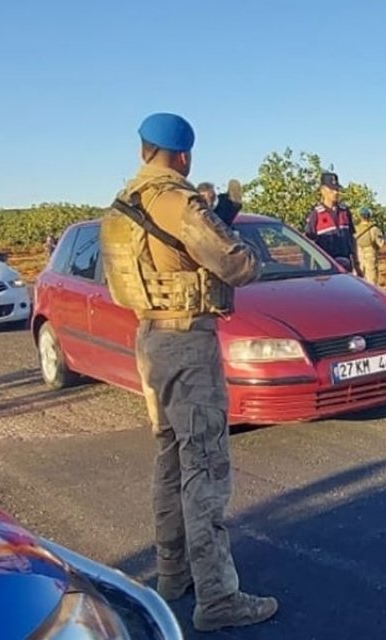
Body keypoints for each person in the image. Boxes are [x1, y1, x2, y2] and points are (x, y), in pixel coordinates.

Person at [98, 112, 277, 632]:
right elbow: (236, 264)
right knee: (205, 465)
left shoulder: (122, 205)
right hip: (187, 340)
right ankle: (218, 598)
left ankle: (173, 574)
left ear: (142, 151)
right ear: (184, 156)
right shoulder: (177, 201)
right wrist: (226, 223)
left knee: (171, 458)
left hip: (151, 339)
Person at [303, 172, 359, 274]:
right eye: (332, 189)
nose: (335, 192)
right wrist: (309, 270)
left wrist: (357, 264)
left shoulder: (345, 212)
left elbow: (352, 238)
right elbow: (308, 244)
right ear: (323, 190)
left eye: (337, 189)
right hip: (325, 269)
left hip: (346, 266)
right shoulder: (315, 215)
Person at [353, 206, 386, 286]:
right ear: (369, 216)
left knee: (357, 279)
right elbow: (380, 243)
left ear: (360, 216)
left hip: (358, 254)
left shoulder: (355, 229)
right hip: (370, 254)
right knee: (371, 280)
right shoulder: (374, 229)